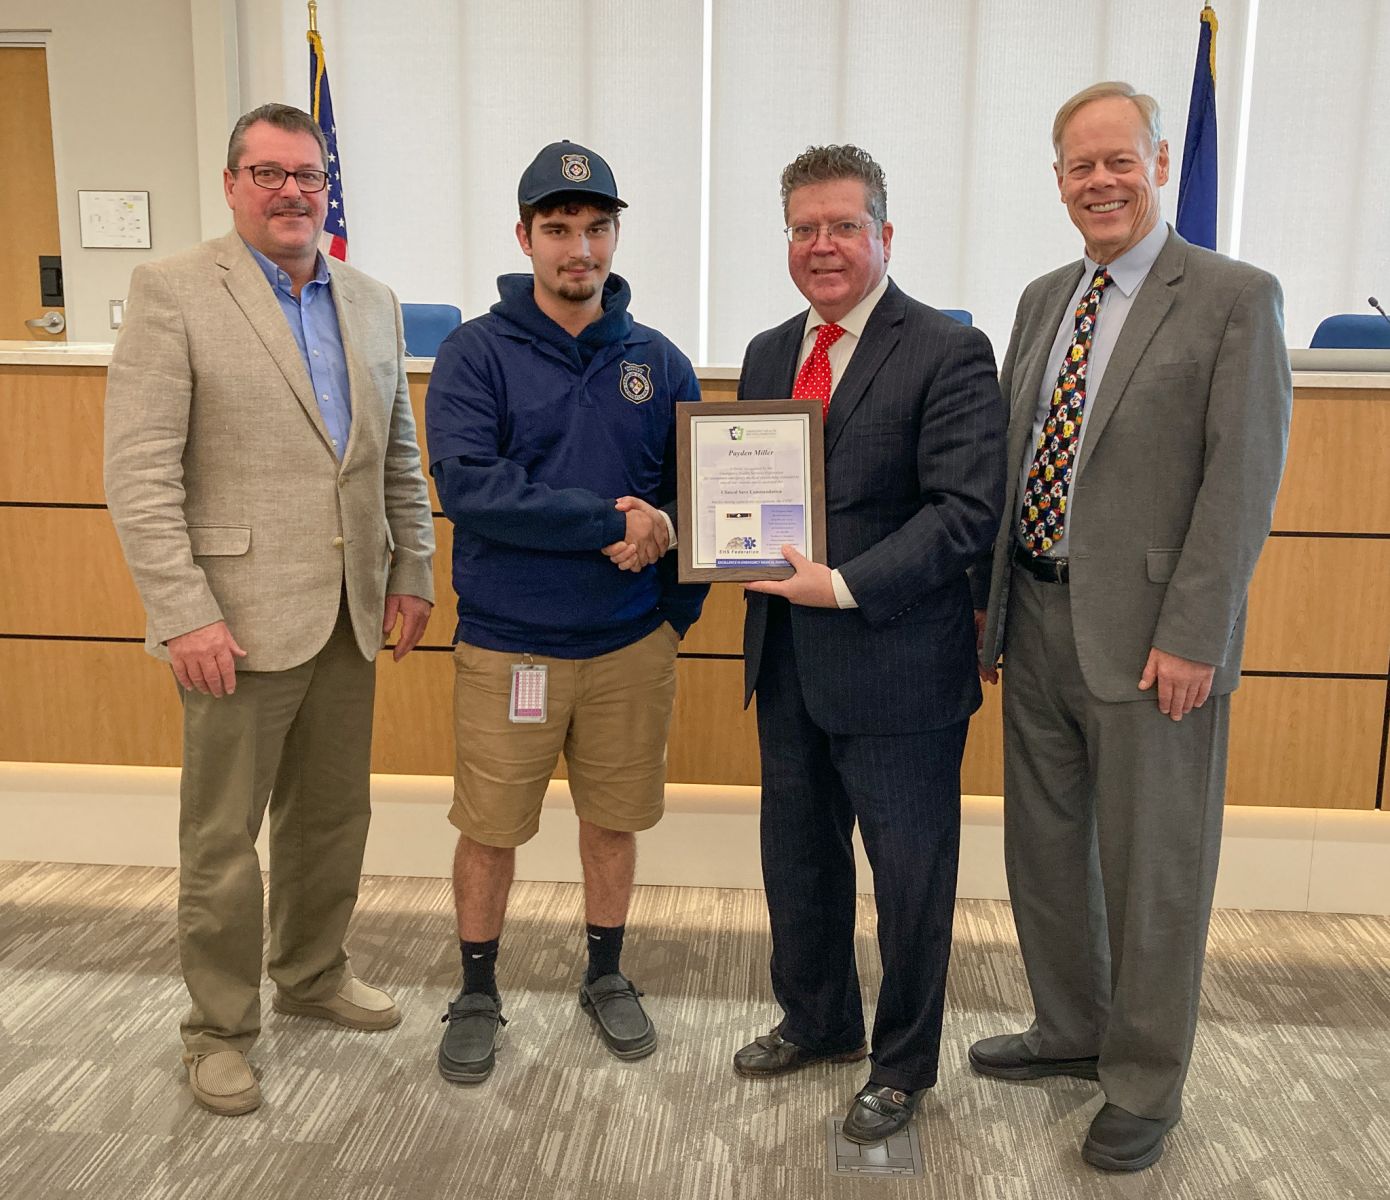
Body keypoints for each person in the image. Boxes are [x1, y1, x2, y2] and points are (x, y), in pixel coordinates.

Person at [969, 81, 1292, 1172]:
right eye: (1077, 165)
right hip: (1037, 615)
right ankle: (1071, 1029)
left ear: (1158, 164)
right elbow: (1020, 467)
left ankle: (1145, 1079)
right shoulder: (1040, 298)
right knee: (1048, 854)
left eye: (1118, 160)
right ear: (1055, 180)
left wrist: (1197, 632)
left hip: (1157, 640)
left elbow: (1239, 484)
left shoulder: (1234, 298)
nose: (1098, 181)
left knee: (1154, 869)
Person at [104, 103, 436, 1116]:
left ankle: (311, 972)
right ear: (233, 183)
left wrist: (412, 567)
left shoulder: (371, 300)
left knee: (331, 817)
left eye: (306, 175)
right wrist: (185, 612)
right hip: (232, 622)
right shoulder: (172, 293)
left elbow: (397, 456)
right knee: (221, 837)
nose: (291, 190)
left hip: (348, 608)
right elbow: (140, 473)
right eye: (268, 173)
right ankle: (215, 1028)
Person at [732, 144, 1006, 1143]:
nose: (822, 245)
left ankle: (900, 1064)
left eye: (843, 225)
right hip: (787, 662)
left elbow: (963, 513)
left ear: (884, 235)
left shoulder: (945, 350)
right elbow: (748, 495)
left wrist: (843, 585)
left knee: (908, 880)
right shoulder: (768, 352)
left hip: (896, 668)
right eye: (804, 228)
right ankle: (816, 1023)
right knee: (798, 863)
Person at [425, 140, 707, 1085]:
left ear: (615, 235)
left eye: (595, 228)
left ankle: (606, 973)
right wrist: (608, 523)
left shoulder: (659, 360)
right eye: (557, 229)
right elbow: (471, 487)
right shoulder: (475, 352)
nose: (578, 248)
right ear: (524, 237)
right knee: (492, 826)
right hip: (513, 647)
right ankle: (476, 989)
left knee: (614, 820)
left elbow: (692, 506)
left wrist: (675, 613)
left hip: (631, 644)